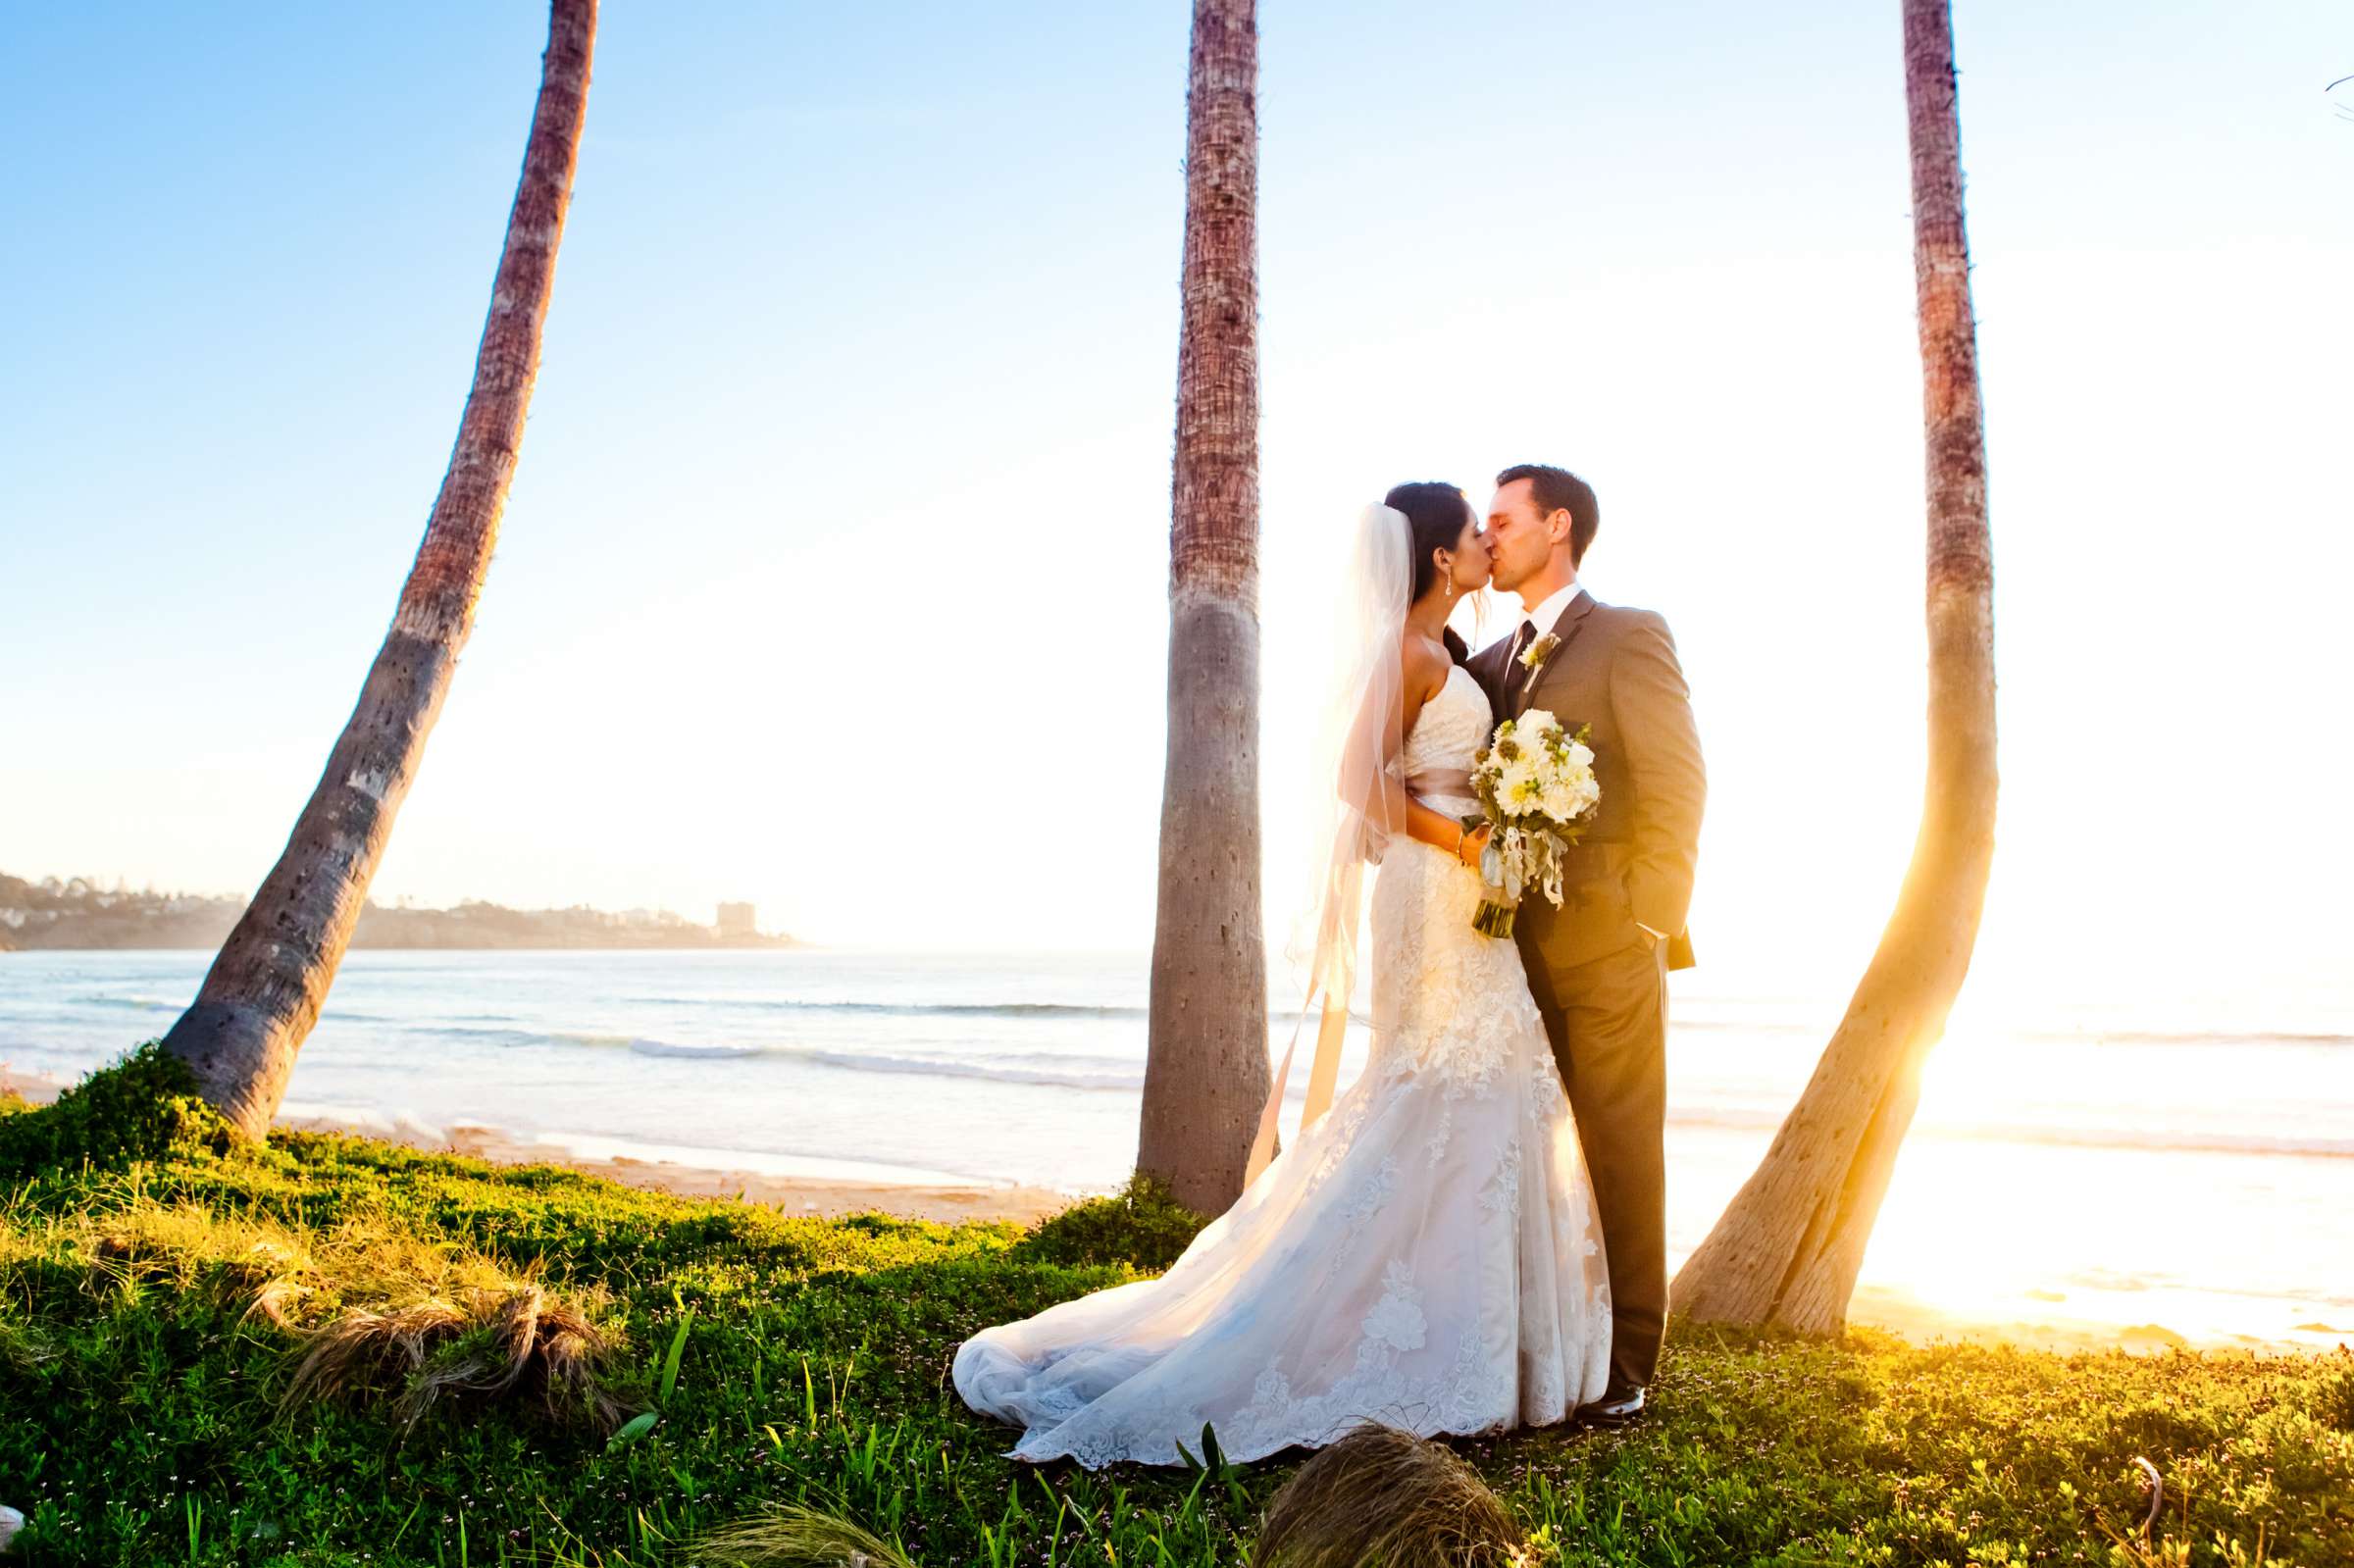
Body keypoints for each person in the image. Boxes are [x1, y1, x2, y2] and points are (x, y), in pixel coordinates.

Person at [951, 481, 1613, 1467]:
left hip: (1460, 894)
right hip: (1434, 893)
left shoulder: (1449, 655)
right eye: (1473, 534)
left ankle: (1483, 1345)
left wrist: (1504, 828)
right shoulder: (1410, 652)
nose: (1485, 544)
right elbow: (1360, 784)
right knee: (1445, 1080)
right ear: (1439, 558)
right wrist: (1466, 842)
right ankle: (1433, 1345)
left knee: (1477, 1084)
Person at [1465, 463, 1706, 1426]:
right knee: (1533, 1150)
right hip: (1506, 955)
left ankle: (1631, 1358)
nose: (1491, 539)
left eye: (1504, 521)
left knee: (1618, 1142)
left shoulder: (1628, 635)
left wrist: (1651, 913)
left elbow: (1678, 778)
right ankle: (1553, 1335)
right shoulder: (1483, 668)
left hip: (1611, 940)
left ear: (1557, 526)